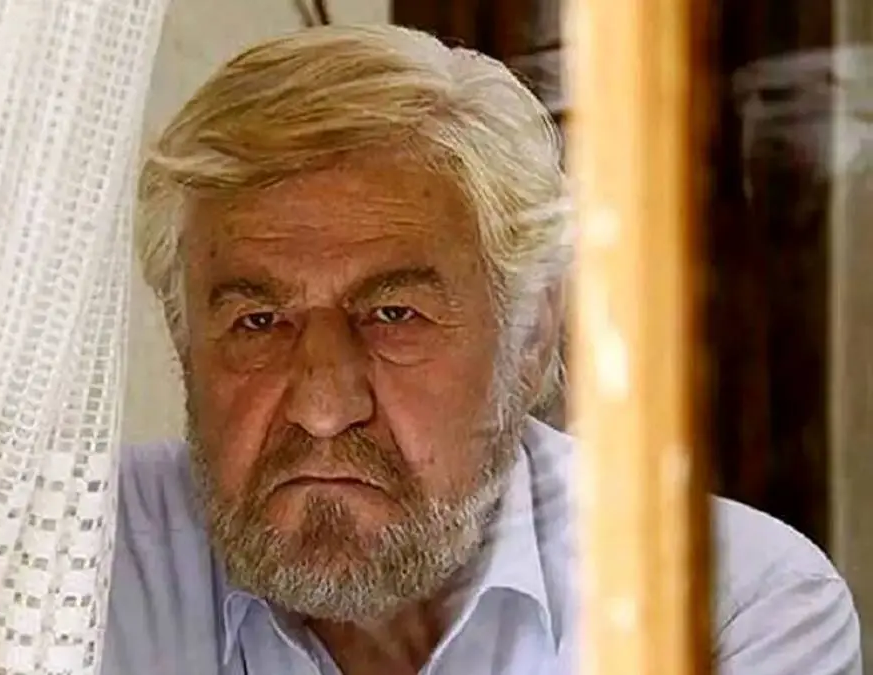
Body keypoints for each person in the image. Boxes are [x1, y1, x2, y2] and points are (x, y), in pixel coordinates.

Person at [102, 23, 862, 675]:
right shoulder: (81, 563)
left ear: (531, 338)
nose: (324, 407)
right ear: (183, 342)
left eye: (394, 314)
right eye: (258, 321)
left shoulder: (730, 607)